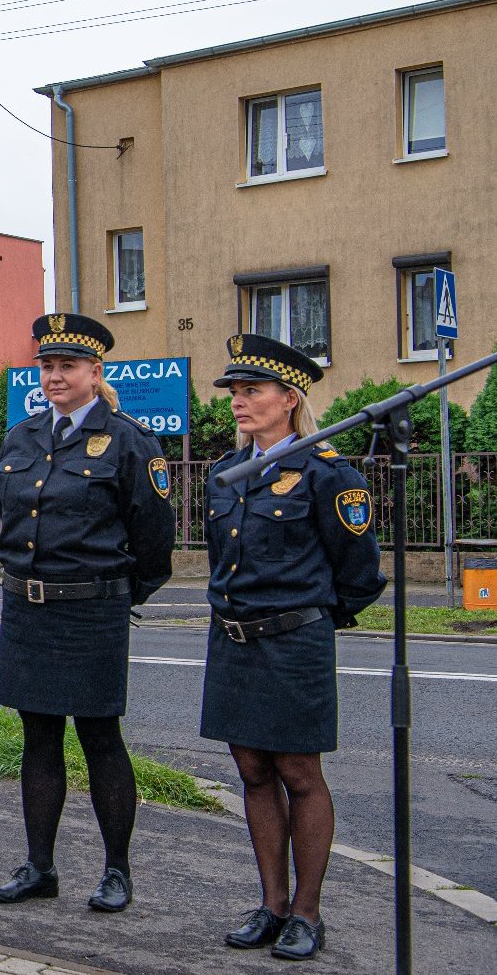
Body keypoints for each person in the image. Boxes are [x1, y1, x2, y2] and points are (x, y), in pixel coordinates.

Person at [201, 334, 385, 961]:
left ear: (290, 398)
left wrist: (314, 621)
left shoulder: (328, 472)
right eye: (234, 391)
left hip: (294, 641)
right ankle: (271, 904)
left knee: (299, 774)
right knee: (252, 770)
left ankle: (307, 912)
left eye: (251, 391)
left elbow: (359, 570)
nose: (237, 402)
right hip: (234, 640)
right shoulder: (228, 475)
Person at [0, 312, 174, 914]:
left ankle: (116, 871)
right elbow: (11, 520)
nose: (55, 376)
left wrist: (119, 594)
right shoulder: (23, 437)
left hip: (93, 611)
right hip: (29, 609)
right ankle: (39, 866)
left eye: (68, 365)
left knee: (101, 739)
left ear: (96, 372)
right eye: (47, 365)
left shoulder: (129, 440)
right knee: (37, 740)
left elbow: (154, 540)